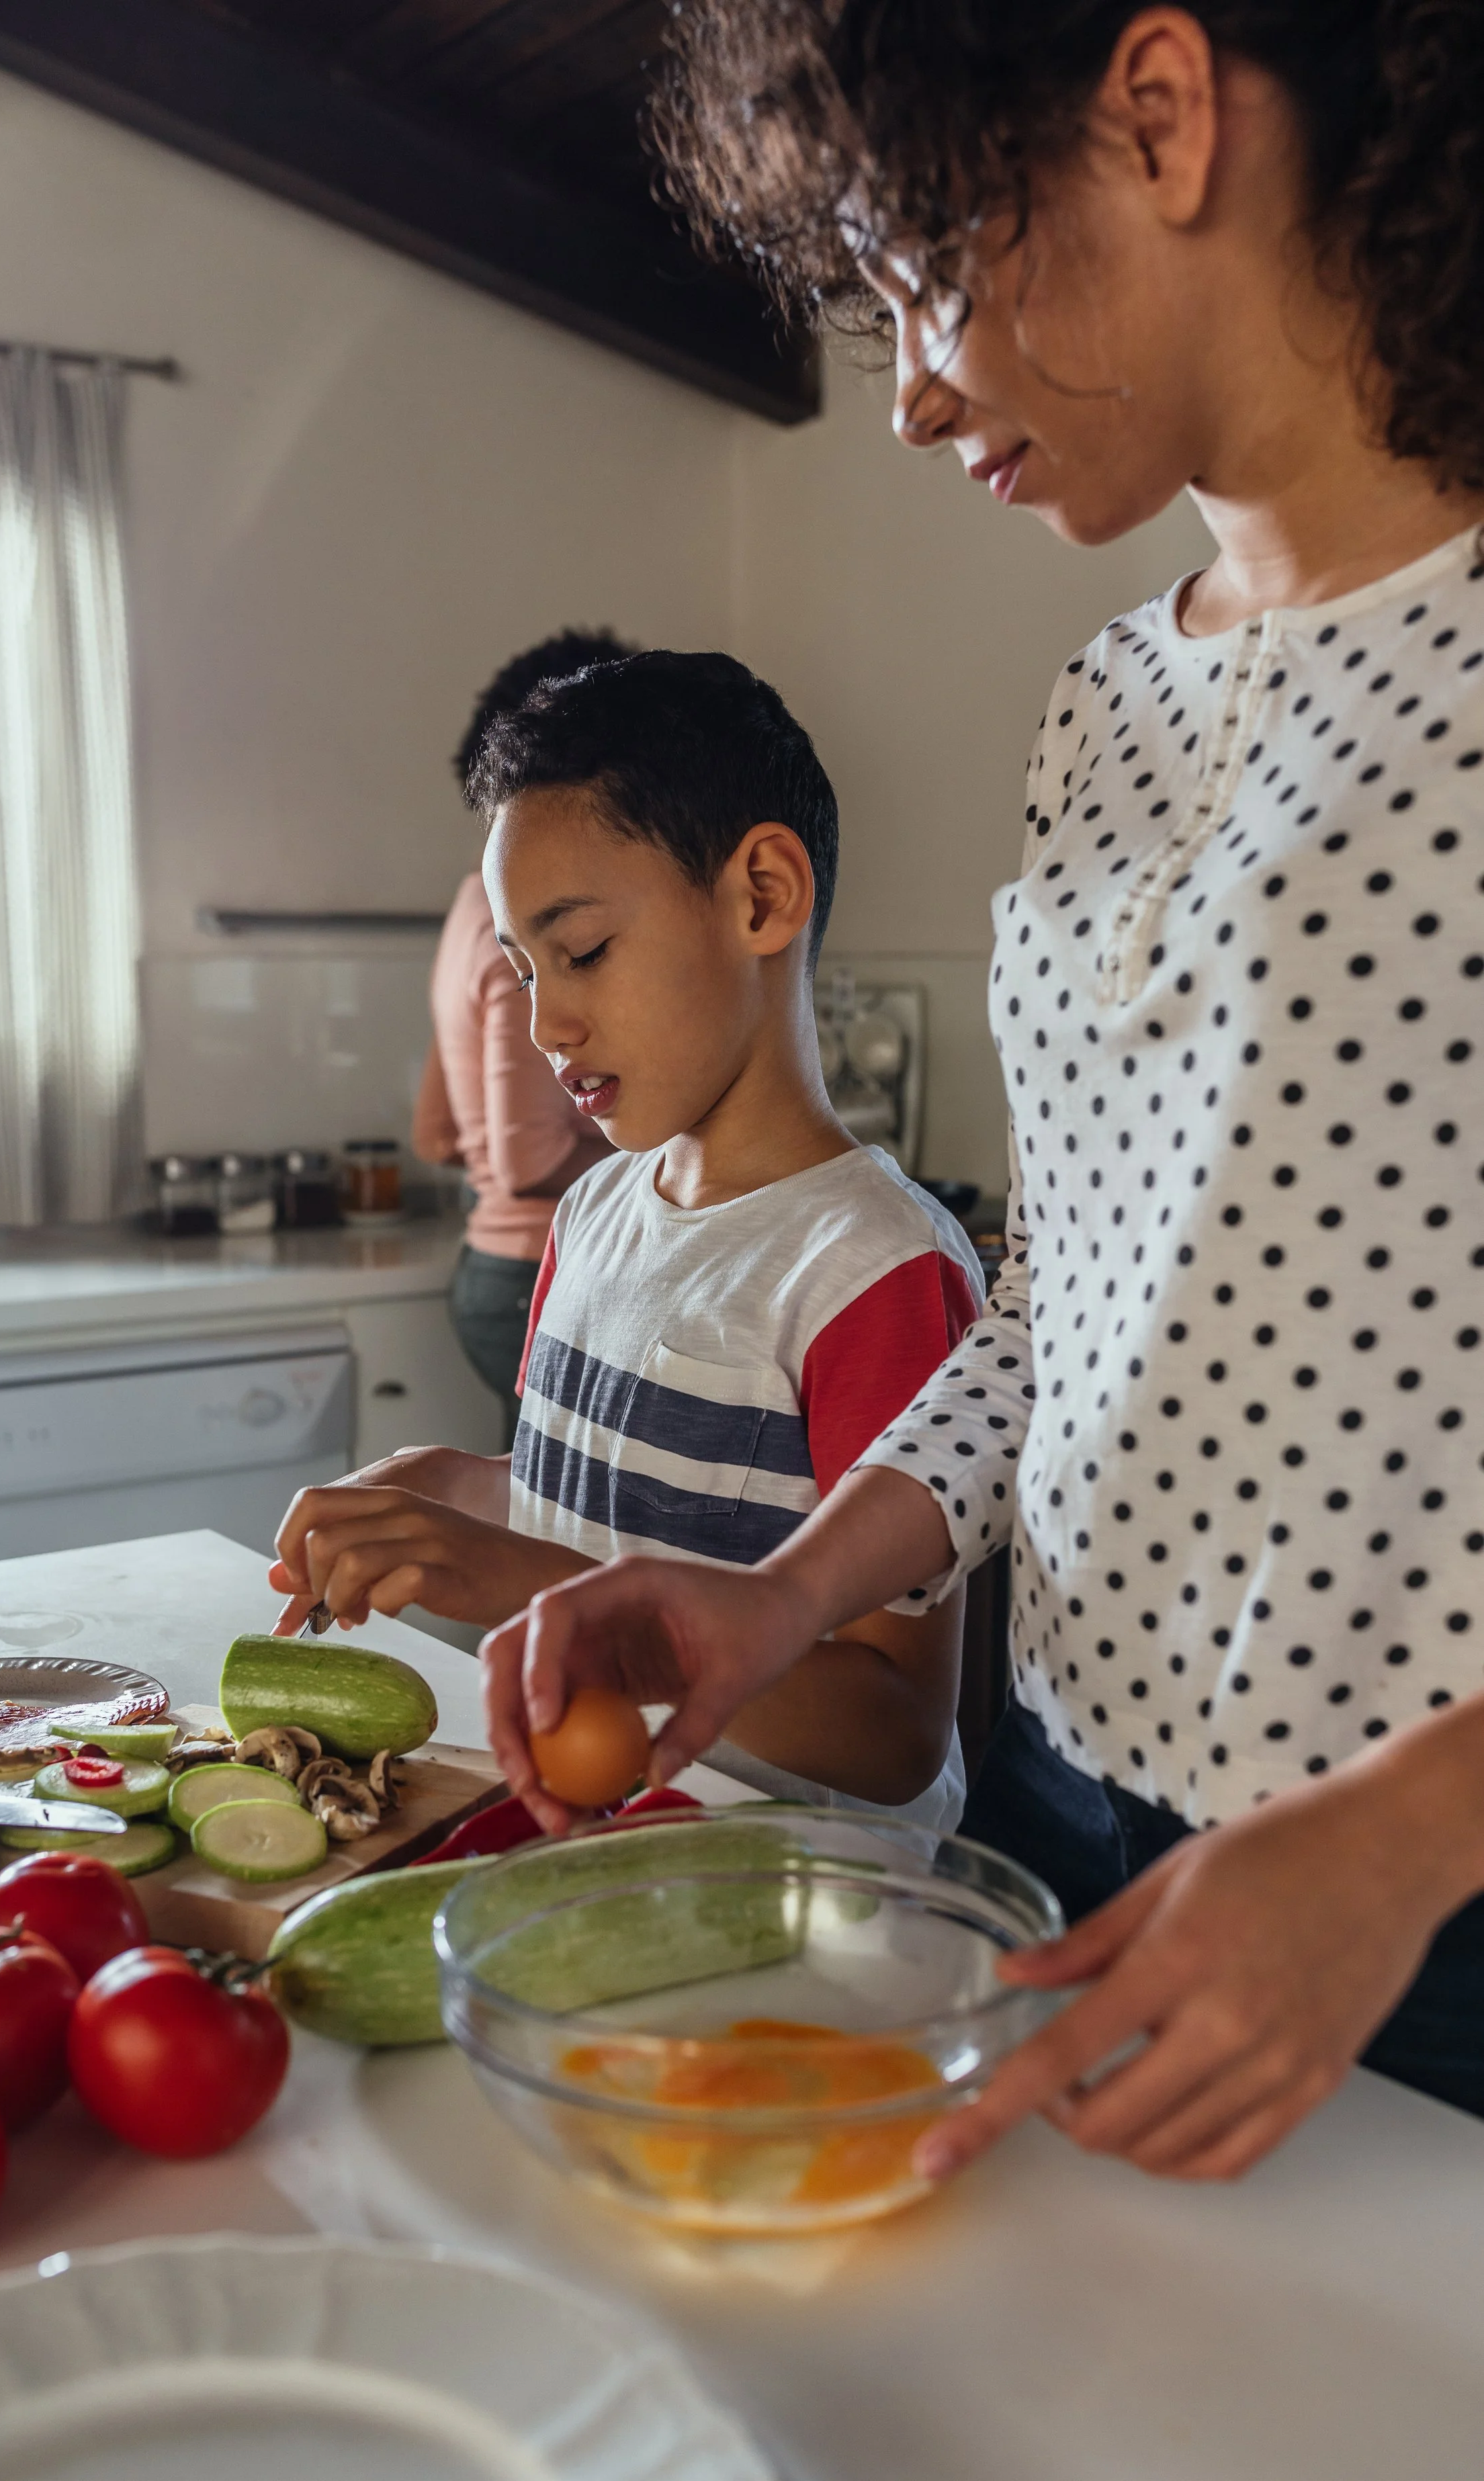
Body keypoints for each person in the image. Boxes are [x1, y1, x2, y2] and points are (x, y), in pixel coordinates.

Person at [480, 3, 1484, 2185]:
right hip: (1089, 1803)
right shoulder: (1114, 703)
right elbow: (1065, 1302)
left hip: (1419, 1896)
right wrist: (790, 1596)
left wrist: (1407, 1841)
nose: (914, 387)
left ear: (1160, 112)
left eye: (925, 265)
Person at [273, 650, 984, 1819]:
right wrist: (455, 1492)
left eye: (584, 951)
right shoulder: (599, 1209)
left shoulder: (874, 1269)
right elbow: (627, 1501)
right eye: (521, 970)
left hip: (796, 1900)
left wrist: (513, 1575)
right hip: (592, 1838)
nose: (549, 1024)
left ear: (762, 895)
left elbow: (896, 1730)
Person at [413, 630, 633, 1444]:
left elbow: (435, 1134)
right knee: (552, 1533)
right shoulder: (531, 938)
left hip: (489, 1272)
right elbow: (529, 1159)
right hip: (532, 1271)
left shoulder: (473, 913)